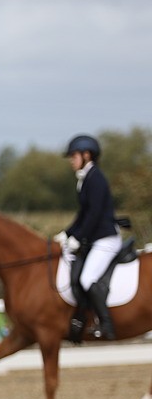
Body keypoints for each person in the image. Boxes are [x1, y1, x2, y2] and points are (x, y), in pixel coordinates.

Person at [57, 134, 120, 341]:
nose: (71, 160)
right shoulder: (86, 178)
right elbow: (83, 215)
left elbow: (94, 215)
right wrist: (67, 234)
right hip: (95, 238)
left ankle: (106, 324)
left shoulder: (96, 178)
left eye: (73, 156)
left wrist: (78, 237)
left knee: (87, 278)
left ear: (87, 155)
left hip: (106, 239)